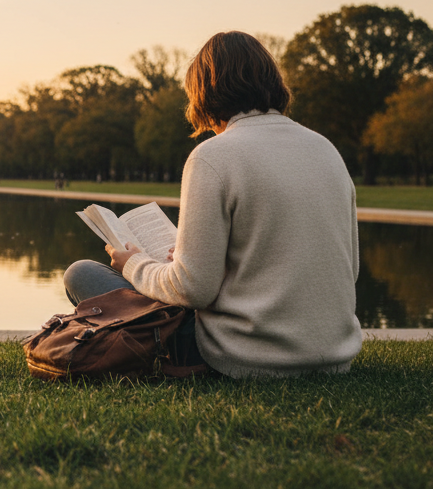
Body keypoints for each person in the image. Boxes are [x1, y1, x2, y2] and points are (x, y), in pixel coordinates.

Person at [62, 31, 362, 378]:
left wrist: (133, 264)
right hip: (335, 356)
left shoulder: (213, 156)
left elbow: (193, 290)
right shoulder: (325, 149)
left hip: (247, 355)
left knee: (82, 274)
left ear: (204, 93)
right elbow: (347, 269)